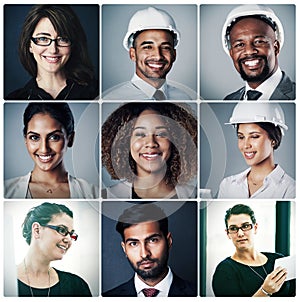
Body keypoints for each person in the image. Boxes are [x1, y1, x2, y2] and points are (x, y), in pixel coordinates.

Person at [102, 102, 197, 199]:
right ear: (124, 142)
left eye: (161, 134)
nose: (151, 143)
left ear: (176, 141)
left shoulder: (197, 197)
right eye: (140, 134)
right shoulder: (105, 197)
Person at [4, 102, 98, 198]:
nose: (44, 149)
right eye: (34, 137)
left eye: (54, 137)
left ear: (70, 139)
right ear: (26, 140)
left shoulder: (93, 194)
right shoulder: (5, 191)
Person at [102, 203, 197, 297]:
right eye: (134, 244)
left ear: (168, 241)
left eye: (152, 240)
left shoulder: (198, 294)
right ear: (124, 249)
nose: (144, 254)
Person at [5, 5, 98, 100]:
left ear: (72, 45)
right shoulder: (14, 98)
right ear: (29, 45)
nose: (53, 50)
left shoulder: (96, 92)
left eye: (62, 39)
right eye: (43, 38)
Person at [102, 6, 193, 100]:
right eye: (148, 47)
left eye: (165, 47)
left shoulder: (184, 99)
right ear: (133, 54)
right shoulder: (113, 101)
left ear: (174, 54)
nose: (158, 56)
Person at [212, 204, 295, 297]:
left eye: (246, 226)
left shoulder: (279, 260)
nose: (240, 233)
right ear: (228, 233)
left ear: (255, 228)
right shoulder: (224, 271)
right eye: (233, 228)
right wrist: (265, 291)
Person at [218, 102, 295, 198]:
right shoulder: (227, 186)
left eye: (254, 136)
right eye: (241, 137)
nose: (246, 145)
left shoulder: (290, 190)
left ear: (273, 140)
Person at [17, 202, 92, 297]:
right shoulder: (4, 280)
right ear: (37, 230)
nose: (68, 240)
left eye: (71, 234)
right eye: (61, 230)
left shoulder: (77, 286)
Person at [222, 4, 295, 100]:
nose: (249, 51)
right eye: (240, 45)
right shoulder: (229, 100)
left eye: (259, 42)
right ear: (231, 53)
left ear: (276, 48)